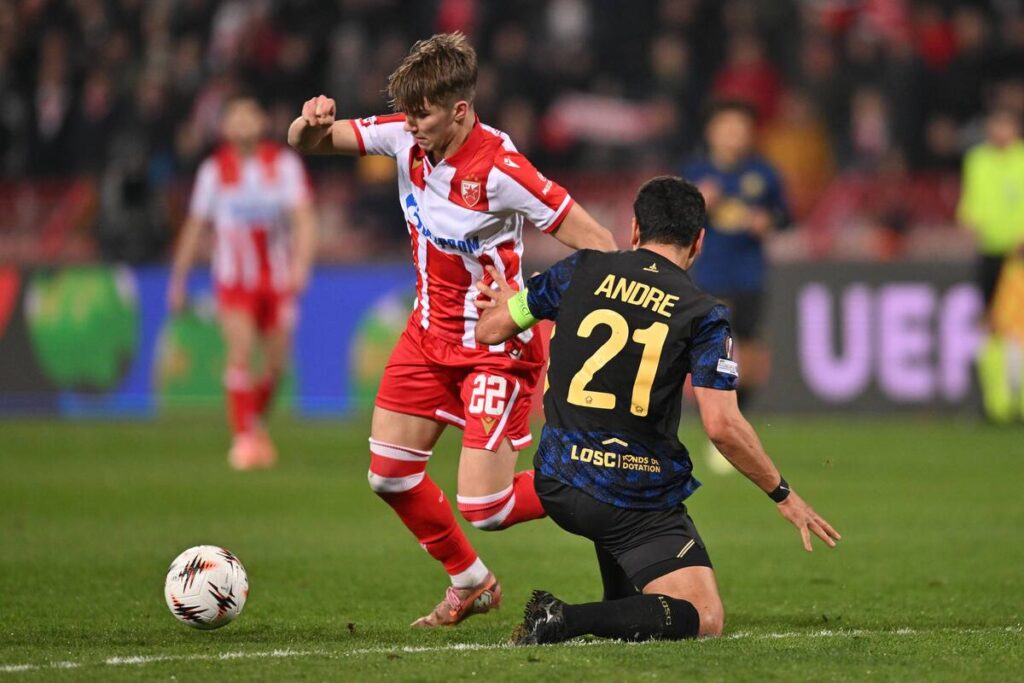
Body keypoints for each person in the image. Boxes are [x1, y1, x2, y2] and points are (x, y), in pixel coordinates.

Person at [287, 32, 616, 626]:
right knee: (389, 476)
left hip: (493, 346)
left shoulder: (501, 169)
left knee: (485, 507)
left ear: (460, 111)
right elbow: (309, 143)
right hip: (426, 337)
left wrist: (530, 301)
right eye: (407, 113)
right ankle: (471, 583)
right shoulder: (404, 136)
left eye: (423, 115)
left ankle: (601, 480)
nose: (411, 126)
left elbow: (602, 246)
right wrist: (308, 123)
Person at [473, 176, 839, 643]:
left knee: (629, 584)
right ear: (699, 242)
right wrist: (783, 494)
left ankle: (617, 604)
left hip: (559, 480)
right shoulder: (702, 314)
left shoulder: (579, 270)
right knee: (704, 617)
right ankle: (564, 618)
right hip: (632, 493)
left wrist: (518, 303)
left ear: (634, 229)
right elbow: (722, 426)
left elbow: (491, 330)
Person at [168, 95, 317, 470]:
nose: (242, 121)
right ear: (224, 127)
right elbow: (194, 227)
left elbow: (303, 218)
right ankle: (244, 439)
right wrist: (178, 280)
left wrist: (301, 265)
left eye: (249, 114)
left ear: (262, 122)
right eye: (235, 116)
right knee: (240, 351)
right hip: (234, 280)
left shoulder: (283, 164)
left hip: (277, 279)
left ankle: (254, 425)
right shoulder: (213, 171)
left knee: (276, 364)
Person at [681, 99, 789, 472]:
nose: (733, 135)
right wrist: (697, 204)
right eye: (727, 127)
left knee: (753, 362)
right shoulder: (694, 173)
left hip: (749, 274)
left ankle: (735, 421)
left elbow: (785, 216)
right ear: (712, 131)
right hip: (709, 273)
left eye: (740, 129)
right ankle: (716, 429)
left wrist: (768, 221)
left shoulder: (764, 173)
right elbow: (672, 221)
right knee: (713, 355)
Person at [956, 106, 1024, 423]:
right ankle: (997, 402)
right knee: (991, 323)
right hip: (989, 253)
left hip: (1019, 256)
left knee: (1017, 326)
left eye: (1005, 124)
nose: (1000, 131)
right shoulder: (978, 160)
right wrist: (970, 223)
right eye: (996, 124)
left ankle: (1018, 399)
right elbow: (971, 203)